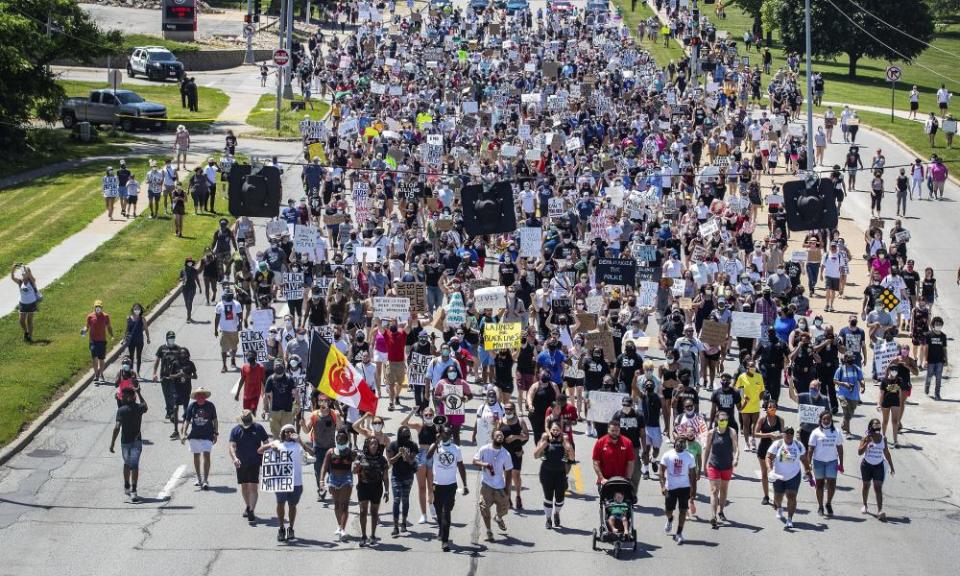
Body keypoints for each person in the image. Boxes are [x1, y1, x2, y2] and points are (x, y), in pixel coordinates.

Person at [258, 423, 315, 542]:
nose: (288, 433)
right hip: (281, 481)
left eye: (291, 431)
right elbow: (260, 450)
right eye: (286, 432)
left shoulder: (298, 445)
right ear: (282, 434)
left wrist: (299, 440)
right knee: (280, 504)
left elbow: (312, 452)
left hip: (296, 482)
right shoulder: (277, 443)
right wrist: (271, 448)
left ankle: (291, 528)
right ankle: (281, 528)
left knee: (292, 505)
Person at [428, 425, 469, 552]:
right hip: (437, 484)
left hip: (451, 485)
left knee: (447, 512)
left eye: (448, 434)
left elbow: (461, 466)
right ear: (440, 434)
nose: (446, 436)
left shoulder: (456, 449)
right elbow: (428, 456)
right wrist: (436, 442)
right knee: (438, 511)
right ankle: (441, 527)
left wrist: (465, 484)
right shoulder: (435, 448)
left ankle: (445, 541)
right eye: (444, 434)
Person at [228, 409, 270, 523]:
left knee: (253, 486)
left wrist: (268, 453)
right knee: (244, 486)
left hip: (254, 462)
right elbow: (232, 446)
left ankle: (251, 510)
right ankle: (248, 506)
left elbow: (266, 442)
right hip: (241, 463)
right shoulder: (236, 430)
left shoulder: (258, 428)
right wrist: (234, 458)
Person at [473, 429, 513, 542]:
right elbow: (474, 461)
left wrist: (507, 491)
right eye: (497, 435)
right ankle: (489, 531)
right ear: (492, 437)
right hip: (486, 485)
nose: (500, 436)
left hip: (500, 486)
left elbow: (509, 473)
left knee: (504, 509)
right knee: (484, 508)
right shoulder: (484, 449)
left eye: (501, 435)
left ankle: (498, 518)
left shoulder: (506, 454)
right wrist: (484, 464)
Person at [109, 386, 147, 503]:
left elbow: (116, 427)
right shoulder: (139, 408)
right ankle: (134, 492)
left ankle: (127, 486)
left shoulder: (121, 410)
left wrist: (112, 443)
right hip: (137, 441)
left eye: (124, 396)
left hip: (125, 442)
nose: (122, 398)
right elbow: (145, 405)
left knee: (127, 463)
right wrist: (139, 393)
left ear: (130, 397)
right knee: (134, 465)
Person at [534, 419, 574, 529]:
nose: (555, 432)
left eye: (557, 429)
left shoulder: (564, 439)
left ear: (561, 430)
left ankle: (556, 513)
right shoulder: (545, 438)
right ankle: (548, 519)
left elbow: (572, 458)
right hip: (546, 473)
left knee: (560, 499)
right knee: (548, 497)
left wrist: (568, 448)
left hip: (560, 473)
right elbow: (535, 455)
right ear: (549, 430)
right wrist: (542, 446)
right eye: (553, 429)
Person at [318, 427, 355, 542]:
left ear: (347, 440)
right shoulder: (331, 452)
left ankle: (343, 529)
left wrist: (353, 459)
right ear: (336, 440)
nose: (340, 441)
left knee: (344, 505)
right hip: (333, 479)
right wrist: (321, 481)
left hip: (346, 478)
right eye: (339, 439)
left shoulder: (350, 452)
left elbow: (356, 463)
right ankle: (339, 526)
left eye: (343, 439)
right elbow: (324, 466)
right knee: (337, 504)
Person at [702, 411, 739, 528]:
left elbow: (736, 448)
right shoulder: (711, 433)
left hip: (727, 466)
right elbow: (707, 449)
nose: (724, 422)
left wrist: (736, 458)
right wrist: (704, 465)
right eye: (721, 420)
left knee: (723, 490)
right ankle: (713, 516)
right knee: (714, 491)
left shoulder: (731, 432)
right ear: (717, 420)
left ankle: (721, 510)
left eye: (726, 420)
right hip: (714, 465)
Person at [766, 426, 807, 529]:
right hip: (778, 475)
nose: (789, 435)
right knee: (777, 497)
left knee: (792, 497)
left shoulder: (798, 445)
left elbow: (803, 458)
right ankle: (779, 507)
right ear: (783, 434)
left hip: (793, 475)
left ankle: (789, 519)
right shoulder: (777, 444)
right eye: (786, 433)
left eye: (791, 433)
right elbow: (768, 457)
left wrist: (808, 470)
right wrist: (770, 470)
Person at [659, 435, 698, 544]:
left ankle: (679, 533)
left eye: (683, 442)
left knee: (683, 510)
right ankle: (670, 519)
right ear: (675, 442)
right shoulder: (667, 455)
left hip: (684, 487)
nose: (681, 443)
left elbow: (693, 475)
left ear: (685, 444)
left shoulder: (689, 456)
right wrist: (662, 486)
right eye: (679, 441)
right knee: (668, 510)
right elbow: (661, 471)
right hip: (671, 487)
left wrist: (693, 491)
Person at [806, 412, 844, 517]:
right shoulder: (815, 432)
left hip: (832, 462)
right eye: (824, 419)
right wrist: (808, 464)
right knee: (820, 484)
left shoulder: (836, 432)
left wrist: (841, 463)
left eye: (828, 419)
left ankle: (828, 503)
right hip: (818, 462)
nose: (826, 421)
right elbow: (810, 449)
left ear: (831, 420)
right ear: (820, 420)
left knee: (832, 484)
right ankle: (820, 506)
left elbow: (840, 448)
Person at [180, 387, 218, 490]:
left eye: (202, 395)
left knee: (206, 455)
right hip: (195, 435)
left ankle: (205, 480)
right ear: (196, 397)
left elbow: (215, 420)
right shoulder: (192, 406)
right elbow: (187, 421)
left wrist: (216, 433)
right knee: (196, 456)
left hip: (208, 434)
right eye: (198, 395)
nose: (200, 397)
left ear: (205, 397)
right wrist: (183, 433)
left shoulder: (210, 406)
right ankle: (199, 478)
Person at [355, 436, 390, 546]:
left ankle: (373, 536)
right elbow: (353, 471)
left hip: (377, 487)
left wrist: (387, 491)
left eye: (376, 444)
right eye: (372, 444)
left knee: (374, 512)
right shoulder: (361, 457)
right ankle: (363, 536)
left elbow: (385, 477)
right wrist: (356, 465)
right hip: (363, 486)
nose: (374, 446)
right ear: (367, 446)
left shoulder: (382, 459)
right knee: (362, 511)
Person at [858, 418, 895, 520]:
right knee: (866, 485)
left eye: (878, 425)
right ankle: (865, 505)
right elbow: (859, 452)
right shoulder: (865, 437)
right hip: (866, 465)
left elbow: (886, 453)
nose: (877, 427)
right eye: (875, 425)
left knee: (878, 488)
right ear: (870, 427)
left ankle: (880, 510)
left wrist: (892, 467)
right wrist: (866, 443)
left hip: (878, 466)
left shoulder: (883, 438)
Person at [385, 425, 418, 537]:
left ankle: (403, 522)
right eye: (404, 433)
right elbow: (391, 461)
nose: (406, 435)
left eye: (408, 433)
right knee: (396, 500)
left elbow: (411, 461)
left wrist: (406, 455)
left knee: (405, 499)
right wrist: (399, 454)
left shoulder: (413, 445)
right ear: (399, 434)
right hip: (396, 476)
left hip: (408, 476)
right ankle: (395, 527)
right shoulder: (393, 445)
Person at [754, 401, 784, 506]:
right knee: (764, 474)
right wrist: (769, 435)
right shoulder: (762, 420)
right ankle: (766, 496)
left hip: (776, 451)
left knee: (776, 474)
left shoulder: (780, 420)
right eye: (769, 407)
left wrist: (778, 436)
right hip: (763, 449)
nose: (771, 409)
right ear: (766, 409)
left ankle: (776, 497)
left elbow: (783, 434)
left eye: (774, 407)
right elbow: (756, 434)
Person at [592, 418, 637, 485]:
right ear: (608, 430)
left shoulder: (627, 442)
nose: (614, 433)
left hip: (622, 480)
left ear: (620, 430)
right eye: (612, 430)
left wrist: (628, 478)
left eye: (617, 430)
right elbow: (596, 463)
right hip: (605, 481)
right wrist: (602, 478)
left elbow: (631, 462)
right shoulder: (600, 442)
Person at [834, 352, 865, 439]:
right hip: (842, 394)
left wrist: (863, 386)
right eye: (850, 358)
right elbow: (835, 380)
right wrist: (843, 384)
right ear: (845, 359)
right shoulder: (840, 369)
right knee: (847, 412)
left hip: (854, 395)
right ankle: (848, 432)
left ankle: (844, 424)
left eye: (852, 358)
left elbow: (861, 379)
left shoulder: (857, 369)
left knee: (850, 413)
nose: (852, 360)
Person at [81, 299, 113, 383]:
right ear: (94, 307)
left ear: (102, 307)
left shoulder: (106, 316)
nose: (98, 308)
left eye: (99, 307)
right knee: (94, 358)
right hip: (93, 341)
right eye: (96, 306)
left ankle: (101, 372)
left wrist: (112, 335)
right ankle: (96, 374)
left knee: (101, 359)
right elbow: (87, 327)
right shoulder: (90, 316)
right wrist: (84, 330)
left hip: (102, 341)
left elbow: (109, 327)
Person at [11, 264, 39, 342]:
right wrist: (13, 269)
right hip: (22, 303)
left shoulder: (32, 281)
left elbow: (31, 277)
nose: (23, 274)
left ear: (28, 273)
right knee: (21, 320)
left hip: (31, 303)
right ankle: (26, 332)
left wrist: (26, 269)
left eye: (25, 273)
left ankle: (30, 337)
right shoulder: (20, 282)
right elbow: (12, 278)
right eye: (22, 273)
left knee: (29, 320)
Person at [123, 302, 150, 373]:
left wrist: (148, 338)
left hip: (139, 340)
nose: (137, 310)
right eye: (135, 309)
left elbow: (146, 329)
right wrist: (124, 338)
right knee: (131, 356)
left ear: (140, 310)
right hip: (131, 341)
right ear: (133, 309)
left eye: (138, 309)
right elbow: (126, 329)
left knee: (139, 356)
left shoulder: (142, 319)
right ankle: (131, 372)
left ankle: (138, 372)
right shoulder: (128, 318)